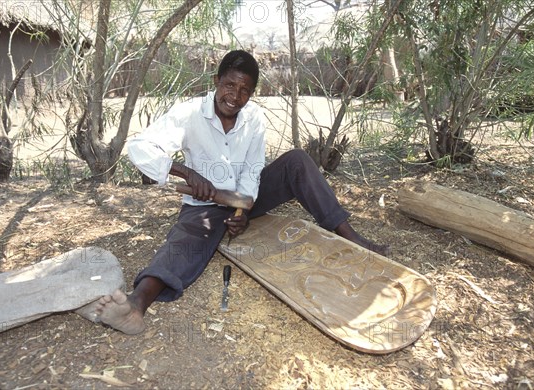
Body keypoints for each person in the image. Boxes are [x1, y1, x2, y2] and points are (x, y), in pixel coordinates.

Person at [95, 50, 389, 335]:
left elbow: (252, 171)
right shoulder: (189, 113)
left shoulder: (254, 118)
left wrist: (242, 212)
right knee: (183, 244)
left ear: (252, 93)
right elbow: (140, 147)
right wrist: (187, 173)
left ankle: (351, 237)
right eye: (229, 85)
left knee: (297, 161)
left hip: (246, 197)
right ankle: (136, 305)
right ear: (216, 81)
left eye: (245, 90)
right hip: (204, 206)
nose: (235, 97)